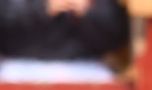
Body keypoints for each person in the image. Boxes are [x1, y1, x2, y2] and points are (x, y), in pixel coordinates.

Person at [0, 0, 129, 83]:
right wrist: (43, 8)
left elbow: (116, 35)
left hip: (86, 68)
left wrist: (88, 11)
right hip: (20, 68)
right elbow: (6, 26)